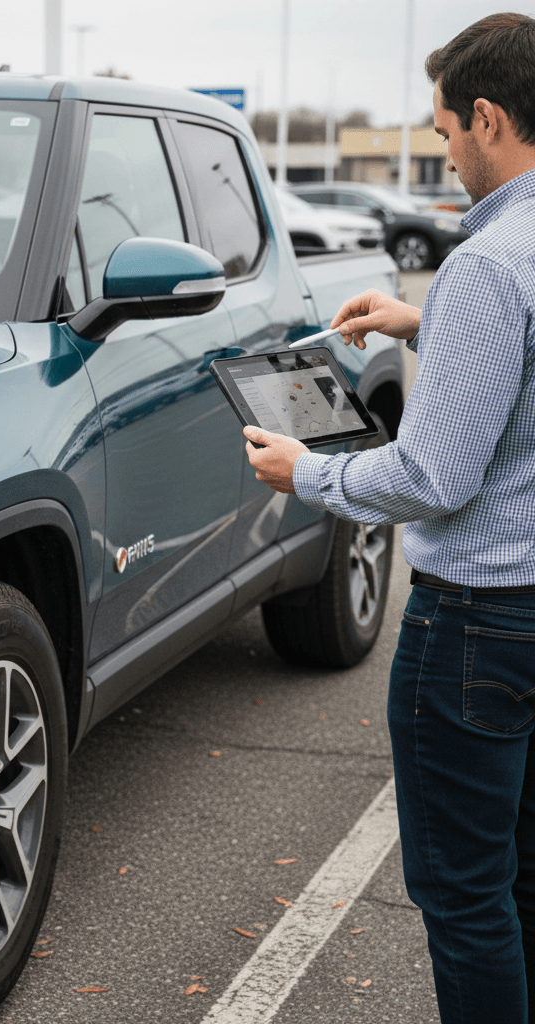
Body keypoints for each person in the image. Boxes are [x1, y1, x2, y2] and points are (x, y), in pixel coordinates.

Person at [243, 14, 535, 1024]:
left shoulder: (488, 265)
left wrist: (303, 474)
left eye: (447, 128)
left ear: (488, 118)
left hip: (478, 625)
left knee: (461, 894)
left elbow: (432, 475)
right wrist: (427, 323)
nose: (443, 149)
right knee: (522, 878)